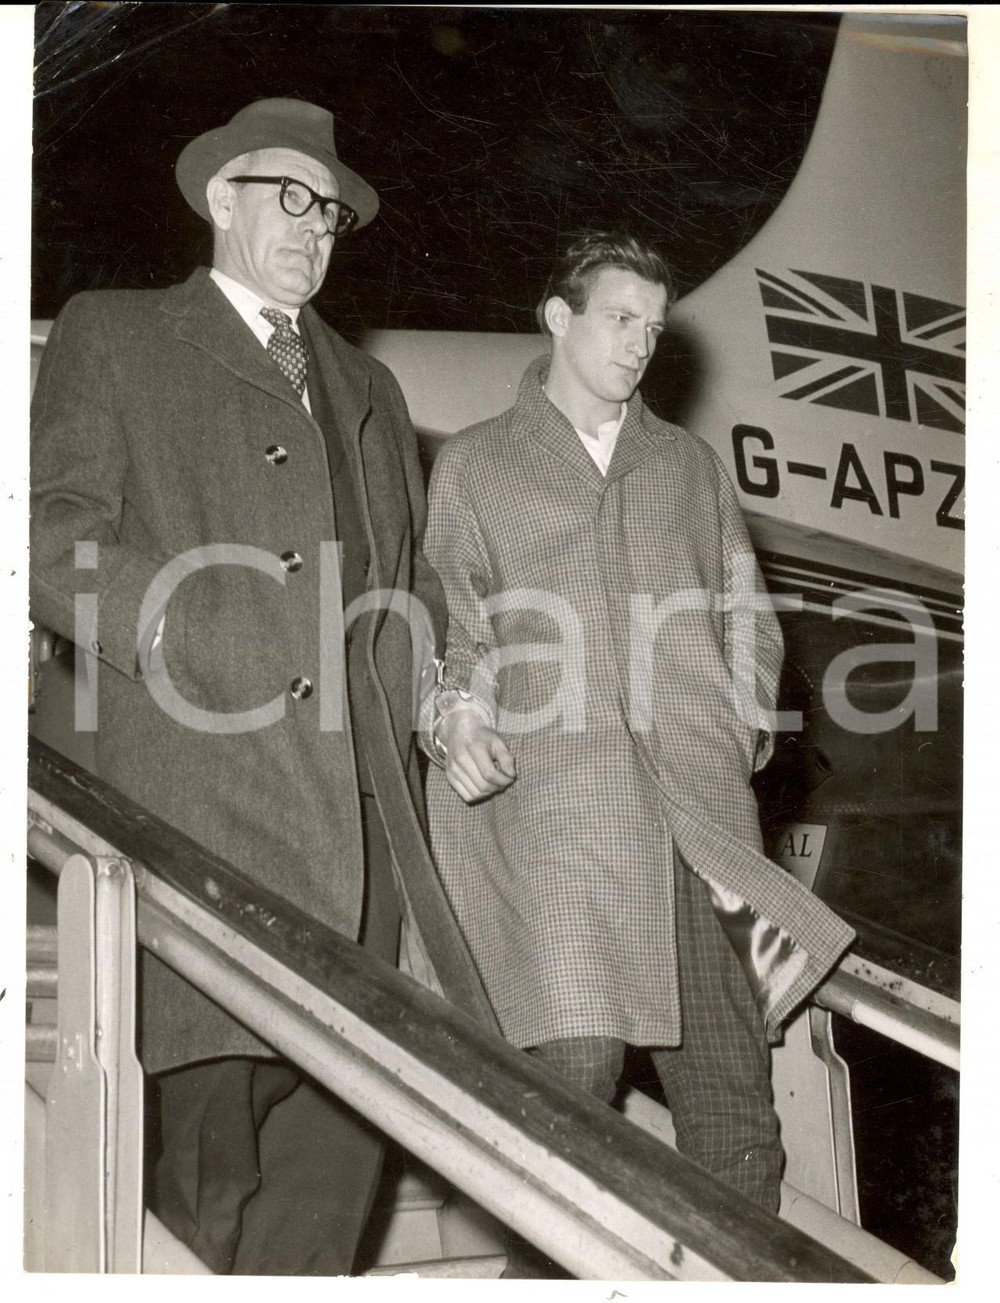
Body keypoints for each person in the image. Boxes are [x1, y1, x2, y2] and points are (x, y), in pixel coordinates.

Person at [30, 97, 497, 1275]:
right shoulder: (120, 333)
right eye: (288, 196)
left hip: (363, 852)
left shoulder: (368, 388)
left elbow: (411, 583)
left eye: (330, 210)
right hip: (200, 822)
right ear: (218, 199)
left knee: (328, 1200)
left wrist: (444, 698)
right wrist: (186, 624)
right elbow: (51, 539)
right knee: (202, 1195)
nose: (315, 225)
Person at [422, 233, 855, 1212]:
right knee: (573, 1069)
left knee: (736, 1111)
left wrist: (737, 728)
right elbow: (450, 621)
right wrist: (453, 714)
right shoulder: (477, 467)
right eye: (620, 319)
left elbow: (748, 613)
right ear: (558, 318)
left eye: (653, 329)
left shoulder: (687, 466)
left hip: (696, 821)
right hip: (563, 818)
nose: (638, 345)